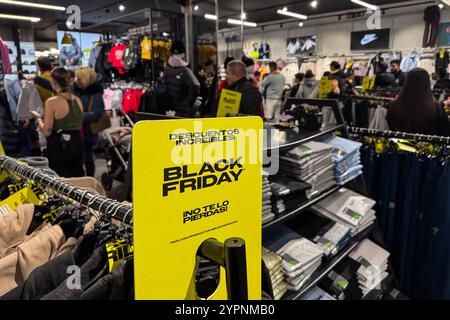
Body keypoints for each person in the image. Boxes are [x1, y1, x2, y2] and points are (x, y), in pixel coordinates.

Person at [35, 68, 84, 177]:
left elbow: (47, 131)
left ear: (53, 82)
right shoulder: (77, 100)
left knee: (62, 181)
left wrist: (38, 119)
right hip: (77, 143)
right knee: (78, 178)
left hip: (60, 146)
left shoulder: (52, 102)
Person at [387, 68, 450, 136]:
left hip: (399, 144)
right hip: (428, 145)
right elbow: (445, 132)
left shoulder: (393, 105)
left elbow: (391, 127)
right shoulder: (436, 108)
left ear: (406, 81)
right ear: (427, 83)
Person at [73, 67, 105, 177]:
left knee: (88, 158)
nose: (76, 80)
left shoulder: (95, 93)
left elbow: (97, 114)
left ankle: (90, 180)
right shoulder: (74, 90)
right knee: (78, 158)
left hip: (88, 132)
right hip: (76, 130)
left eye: (79, 78)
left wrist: (77, 117)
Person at [164, 40, 200, 117]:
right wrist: (188, 102)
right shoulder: (185, 70)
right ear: (182, 54)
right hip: (184, 111)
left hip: (171, 109)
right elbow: (196, 85)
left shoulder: (166, 69)